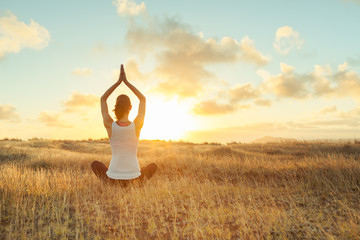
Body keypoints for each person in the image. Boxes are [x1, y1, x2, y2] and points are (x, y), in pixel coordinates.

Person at [91, 64, 157, 187]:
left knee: (95, 164)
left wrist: (118, 82)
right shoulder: (137, 125)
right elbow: (142, 99)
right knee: (153, 166)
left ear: (115, 108)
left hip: (113, 179)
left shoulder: (109, 124)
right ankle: (136, 182)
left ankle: (112, 181)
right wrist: (126, 82)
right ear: (130, 107)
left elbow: (103, 99)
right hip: (134, 178)